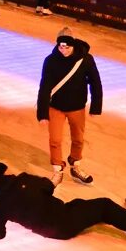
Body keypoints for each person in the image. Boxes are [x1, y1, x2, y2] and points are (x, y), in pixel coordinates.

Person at [0, 162, 126, 249]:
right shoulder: (23, 180)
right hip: (63, 222)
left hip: (49, 230)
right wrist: (52, 181)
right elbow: (48, 187)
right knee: (103, 205)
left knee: (79, 204)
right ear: (5, 172)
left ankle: (122, 216)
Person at [38, 28, 103, 186]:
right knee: (55, 140)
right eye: (61, 46)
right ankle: (57, 170)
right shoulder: (51, 60)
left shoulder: (86, 59)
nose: (63, 50)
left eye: (67, 47)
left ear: (73, 45)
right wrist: (42, 113)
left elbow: (95, 82)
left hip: (77, 108)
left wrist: (96, 106)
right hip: (56, 107)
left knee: (78, 140)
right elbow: (45, 86)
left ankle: (75, 166)